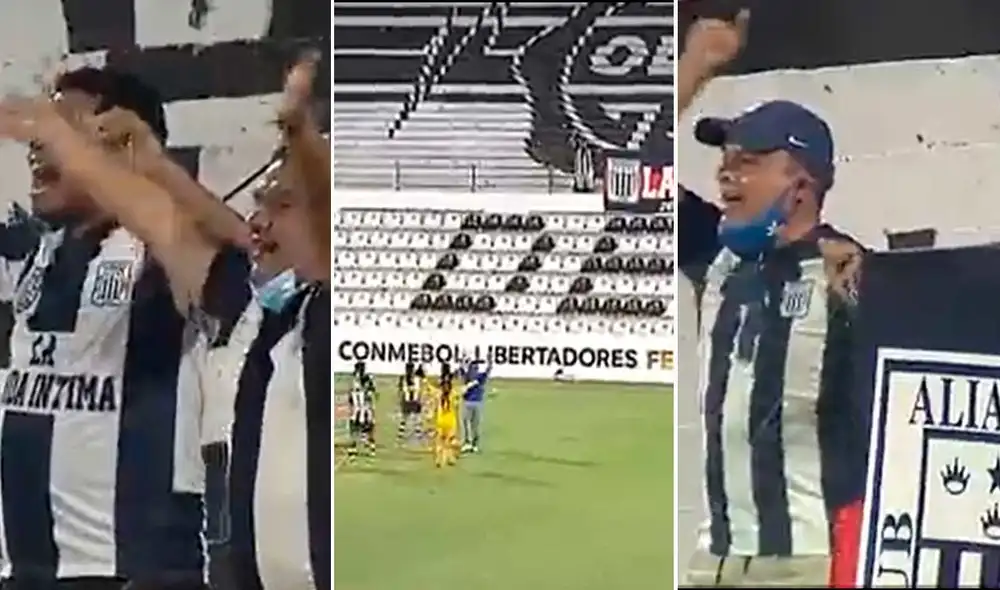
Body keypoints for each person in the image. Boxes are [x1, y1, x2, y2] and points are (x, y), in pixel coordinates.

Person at [0, 53, 331, 590]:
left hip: (125, 564)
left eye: (70, 131)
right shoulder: (41, 252)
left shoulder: (161, 255)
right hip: (27, 564)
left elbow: (232, 250)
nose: (42, 146)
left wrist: (147, 167)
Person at [677, 10, 865, 588]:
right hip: (712, 559)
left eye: (749, 164)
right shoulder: (719, 255)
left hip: (805, 563)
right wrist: (694, 69)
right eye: (725, 162)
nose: (726, 176)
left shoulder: (848, 273)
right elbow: (623, 173)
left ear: (801, 184)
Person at [346, 363, 376, 461]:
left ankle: (360, 448)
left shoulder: (361, 379)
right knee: (363, 428)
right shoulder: (358, 379)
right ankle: (366, 448)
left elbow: (351, 396)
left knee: (359, 429)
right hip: (360, 409)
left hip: (360, 409)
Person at [460, 359, 491, 453]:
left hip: (477, 403)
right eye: (472, 367)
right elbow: (461, 369)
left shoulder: (480, 377)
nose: (474, 369)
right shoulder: (467, 377)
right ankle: (467, 443)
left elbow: (488, 370)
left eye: (475, 368)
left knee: (475, 425)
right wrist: (463, 360)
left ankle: (475, 444)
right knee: (466, 424)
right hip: (467, 402)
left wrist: (490, 361)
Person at [432, 363, 460, 468]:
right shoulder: (453, 394)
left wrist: (424, 380)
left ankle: (439, 460)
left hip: (441, 420)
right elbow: (461, 393)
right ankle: (450, 458)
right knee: (449, 441)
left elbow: (431, 389)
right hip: (450, 421)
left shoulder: (439, 394)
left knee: (439, 441)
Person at [397, 361, 423, 446]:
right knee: (410, 420)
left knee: (408, 420)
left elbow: (401, 390)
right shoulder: (411, 378)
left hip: (410, 401)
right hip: (411, 401)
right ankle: (417, 437)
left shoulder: (408, 378)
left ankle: (401, 438)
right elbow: (417, 389)